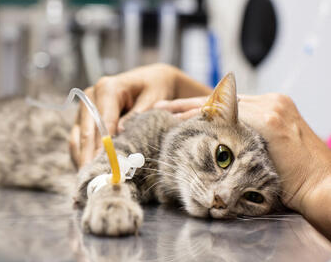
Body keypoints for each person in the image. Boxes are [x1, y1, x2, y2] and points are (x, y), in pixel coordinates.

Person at [70, 63, 331, 239]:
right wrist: (175, 80)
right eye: (223, 157)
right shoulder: (157, 127)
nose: (223, 199)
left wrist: (316, 180)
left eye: (254, 196)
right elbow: (101, 170)